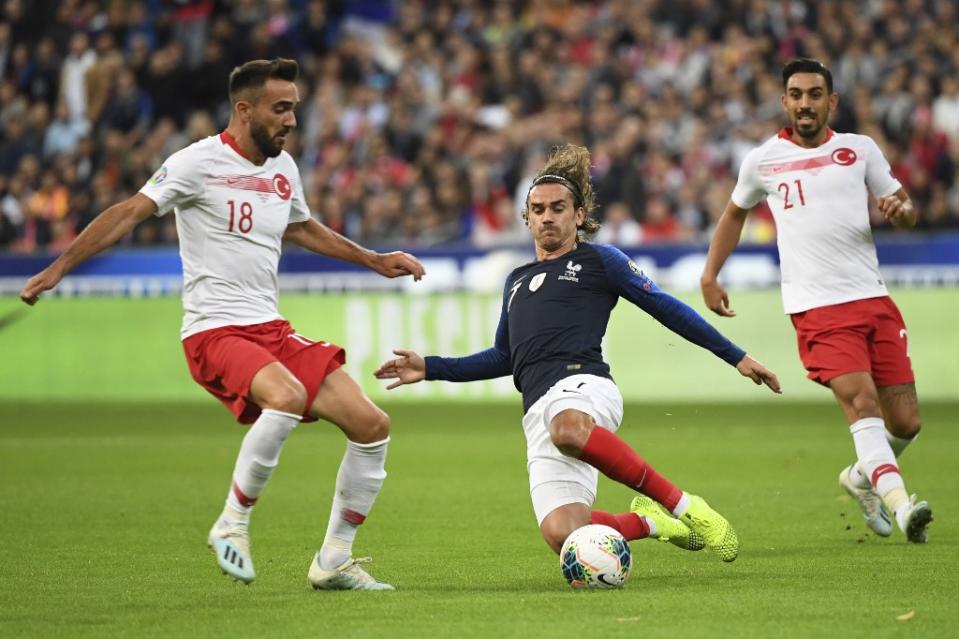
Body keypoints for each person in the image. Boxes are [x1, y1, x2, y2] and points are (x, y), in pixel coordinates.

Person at [19, 58, 426, 589]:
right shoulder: (195, 162)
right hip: (214, 330)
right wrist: (57, 269)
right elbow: (127, 212)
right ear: (244, 109)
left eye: (295, 109)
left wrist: (372, 259)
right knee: (284, 396)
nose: (292, 121)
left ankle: (333, 562)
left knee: (372, 426)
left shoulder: (284, 170)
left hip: (270, 328)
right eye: (281, 109)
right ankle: (232, 524)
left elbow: (301, 228)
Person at [374, 144, 781, 563]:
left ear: (578, 215)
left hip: (583, 385)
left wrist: (736, 356)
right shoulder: (515, 280)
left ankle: (687, 507)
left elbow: (666, 308)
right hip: (537, 410)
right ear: (527, 217)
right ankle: (654, 523)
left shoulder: (600, 261)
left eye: (558, 208)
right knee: (564, 536)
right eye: (538, 209)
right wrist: (430, 367)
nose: (547, 216)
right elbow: (504, 356)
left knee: (568, 429)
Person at [700, 58, 933, 543]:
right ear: (784, 101)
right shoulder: (762, 160)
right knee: (862, 403)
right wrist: (709, 274)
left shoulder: (860, 150)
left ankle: (861, 477)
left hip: (873, 300)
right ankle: (903, 505)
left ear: (832, 101)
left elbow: (907, 210)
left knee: (906, 423)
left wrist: (901, 211)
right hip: (817, 308)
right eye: (796, 94)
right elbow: (733, 215)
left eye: (814, 94)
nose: (805, 103)